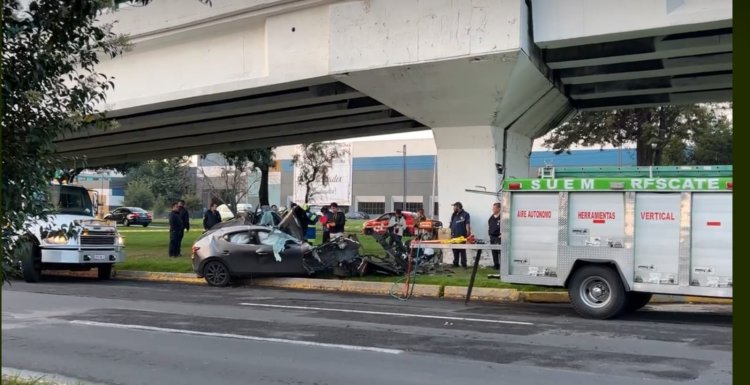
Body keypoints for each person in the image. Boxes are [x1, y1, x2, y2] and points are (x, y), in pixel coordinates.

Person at [449, 202, 471, 268]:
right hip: (454, 235)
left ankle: (464, 264)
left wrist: (468, 232)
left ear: (458, 207)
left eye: (454, 206)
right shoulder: (453, 214)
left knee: (462, 250)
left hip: (462, 235)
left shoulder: (466, 214)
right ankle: (455, 263)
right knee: (455, 250)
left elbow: (467, 224)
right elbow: (451, 223)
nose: (453, 208)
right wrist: (449, 232)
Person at [488, 202, 502, 270]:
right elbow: (489, 225)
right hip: (492, 237)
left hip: (499, 237)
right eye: (493, 208)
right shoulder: (491, 217)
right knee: (494, 251)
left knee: (500, 252)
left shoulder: (502, 217)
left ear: (499, 208)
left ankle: (503, 266)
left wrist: (502, 234)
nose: (493, 209)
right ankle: (496, 265)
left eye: (494, 208)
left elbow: (506, 227)